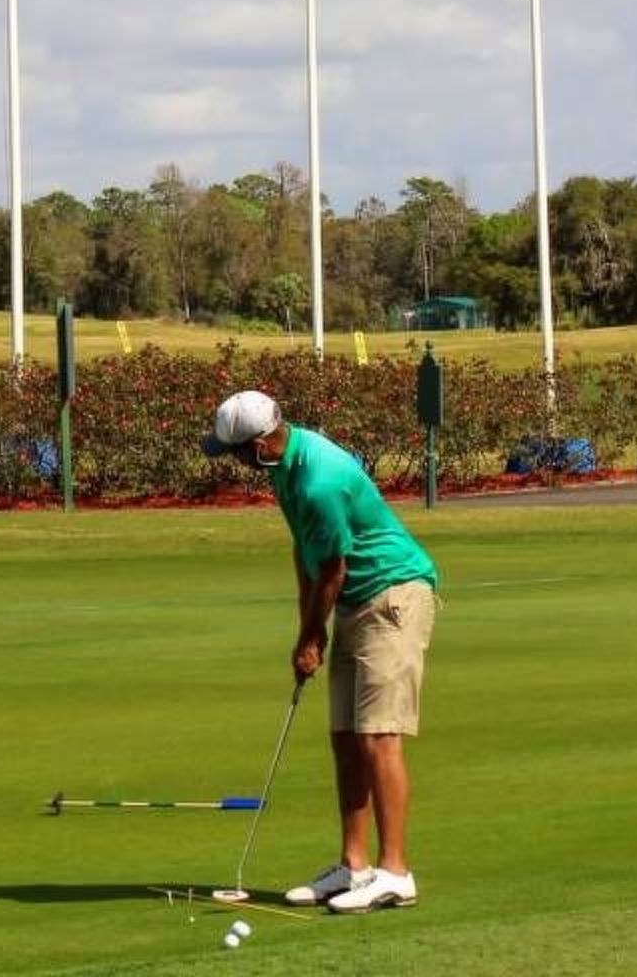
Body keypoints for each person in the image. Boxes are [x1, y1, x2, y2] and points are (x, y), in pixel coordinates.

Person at [203, 389, 439, 913]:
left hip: (394, 594)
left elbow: (334, 569)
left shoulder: (318, 479)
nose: (239, 464)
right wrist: (306, 631)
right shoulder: (287, 466)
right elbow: (305, 553)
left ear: (262, 444)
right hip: (356, 599)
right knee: (345, 737)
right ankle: (353, 866)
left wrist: (311, 637)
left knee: (378, 736)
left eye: (240, 453)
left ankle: (395, 872)